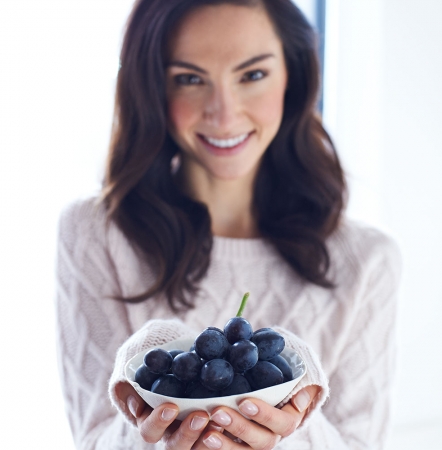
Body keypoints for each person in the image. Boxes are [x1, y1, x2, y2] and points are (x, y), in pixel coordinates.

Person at [55, 0, 401, 449]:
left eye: (252, 75)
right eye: (190, 79)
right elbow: (93, 440)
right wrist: (149, 419)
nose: (224, 113)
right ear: (153, 88)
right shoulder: (95, 233)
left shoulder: (369, 261)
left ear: (293, 78)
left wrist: (290, 420)